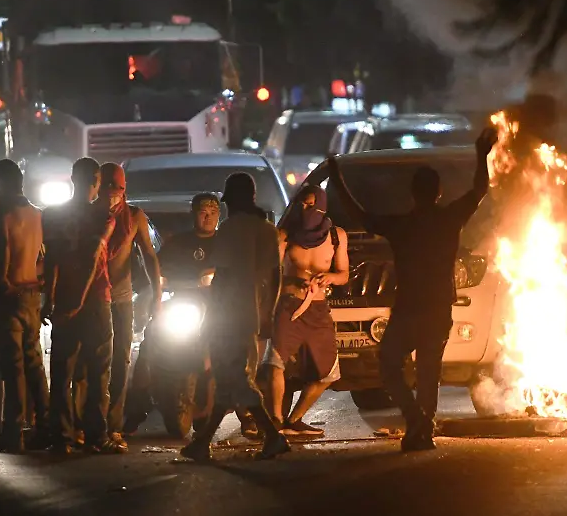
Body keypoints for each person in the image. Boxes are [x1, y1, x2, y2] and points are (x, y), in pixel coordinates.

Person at [327, 127, 496, 452]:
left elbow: (359, 215)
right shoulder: (449, 219)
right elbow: (479, 189)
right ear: (438, 193)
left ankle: (418, 422)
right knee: (428, 371)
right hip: (436, 310)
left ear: (413, 194)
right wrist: (481, 155)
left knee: (390, 366)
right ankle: (422, 426)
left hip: (408, 310)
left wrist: (337, 178)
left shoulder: (401, 225)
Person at [181, 173, 290, 462]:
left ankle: (273, 435)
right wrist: (269, 312)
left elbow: (223, 278)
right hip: (251, 314)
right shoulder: (267, 230)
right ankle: (201, 443)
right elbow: (276, 276)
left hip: (227, 315)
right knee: (229, 380)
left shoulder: (230, 229)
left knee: (236, 378)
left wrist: (210, 317)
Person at [123, 193, 245, 436]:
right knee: (149, 347)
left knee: (232, 353)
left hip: (216, 311)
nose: (207, 216)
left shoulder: (227, 244)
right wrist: (157, 281)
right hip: (179, 305)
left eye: (212, 211)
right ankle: (136, 409)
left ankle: (246, 413)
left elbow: (239, 274)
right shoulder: (177, 243)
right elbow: (156, 267)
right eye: (202, 211)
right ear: (193, 214)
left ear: (220, 215)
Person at [44, 158, 119, 454]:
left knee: (62, 371)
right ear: (97, 181)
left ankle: (62, 437)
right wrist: (79, 300)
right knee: (98, 369)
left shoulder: (52, 215)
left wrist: (49, 299)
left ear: (73, 178)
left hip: (63, 299)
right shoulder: (103, 217)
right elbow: (92, 257)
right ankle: (95, 436)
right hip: (95, 300)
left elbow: (51, 261)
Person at [264, 185, 349, 436]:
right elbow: (272, 274)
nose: (306, 209)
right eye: (302, 204)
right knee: (274, 363)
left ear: (322, 206)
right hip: (289, 307)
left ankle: (295, 419)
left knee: (329, 373)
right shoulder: (285, 236)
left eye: (312, 205)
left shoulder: (337, 236)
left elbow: (343, 274)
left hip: (318, 309)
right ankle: (276, 421)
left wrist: (329, 278)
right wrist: (289, 286)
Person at [0, 159, 50, 453]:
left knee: (13, 367)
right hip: (32, 295)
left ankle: (12, 432)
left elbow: (2, 258)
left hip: (9, 297)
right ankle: (45, 427)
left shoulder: (3, 217)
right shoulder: (35, 214)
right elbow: (41, 256)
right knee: (34, 365)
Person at [99, 163, 162, 452]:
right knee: (94, 363)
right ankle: (93, 424)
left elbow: (149, 256)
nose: (112, 196)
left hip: (122, 299)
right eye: (107, 190)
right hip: (94, 300)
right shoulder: (90, 215)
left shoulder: (134, 217)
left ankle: (113, 426)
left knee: (120, 362)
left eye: (118, 190)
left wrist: (157, 294)